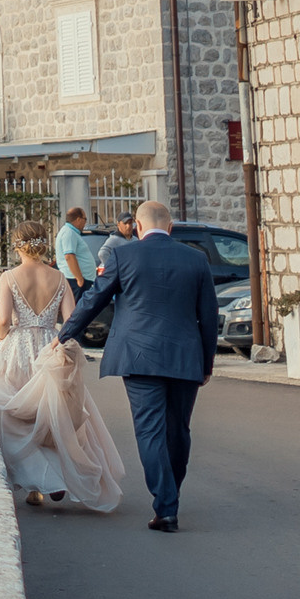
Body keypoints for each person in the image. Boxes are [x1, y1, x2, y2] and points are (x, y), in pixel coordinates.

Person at [57, 199, 219, 531]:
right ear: (171, 227)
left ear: (139, 227)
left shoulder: (122, 255)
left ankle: (166, 505)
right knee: (179, 431)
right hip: (184, 358)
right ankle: (170, 497)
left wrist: (65, 334)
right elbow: (209, 316)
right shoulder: (196, 259)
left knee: (149, 430)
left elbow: (94, 299)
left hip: (138, 356)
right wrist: (207, 363)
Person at [0, 223, 123, 512]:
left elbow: (2, 323)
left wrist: (6, 334)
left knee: (16, 419)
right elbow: (71, 319)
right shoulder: (60, 278)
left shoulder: (8, 277)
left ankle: (37, 482)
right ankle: (48, 481)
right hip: (50, 346)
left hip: (18, 349)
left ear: (17, 246)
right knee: (51, 416)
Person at [52, 207, 98, 295]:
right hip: (75, 280)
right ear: (78, 219)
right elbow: (69, 256)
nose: (85, 223)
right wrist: (79, 278)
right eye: (85, 219)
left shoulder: (71, 232)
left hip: (79, 279)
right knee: (77, 307)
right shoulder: (69, 233)